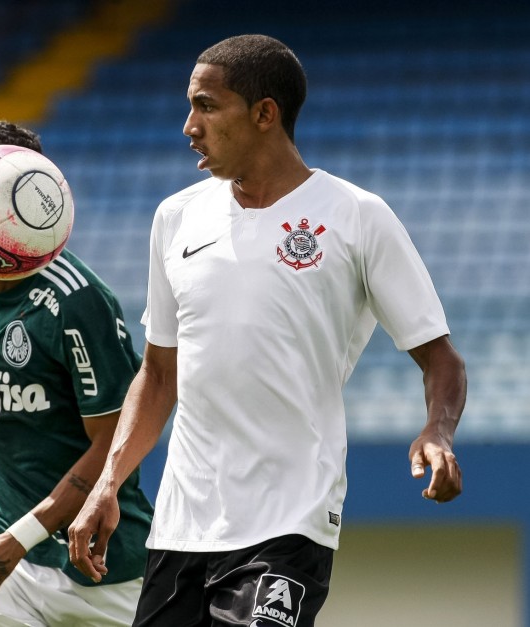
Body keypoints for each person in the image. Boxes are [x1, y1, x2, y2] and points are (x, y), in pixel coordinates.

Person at [67, 34, 467, 627]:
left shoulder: (356, 215)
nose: (188, 126)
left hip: (290, 519)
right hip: (183, 523)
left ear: (264, 113)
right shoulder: (175, 217)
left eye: (205, 105)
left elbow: (441, 359)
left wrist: (438, 430)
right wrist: (108, 483)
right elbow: (158, 374)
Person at [0, 120, 154, 627]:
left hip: (99, 562)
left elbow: (115, 436)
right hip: (1, 548)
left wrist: (21, 540)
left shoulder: (79, 300)